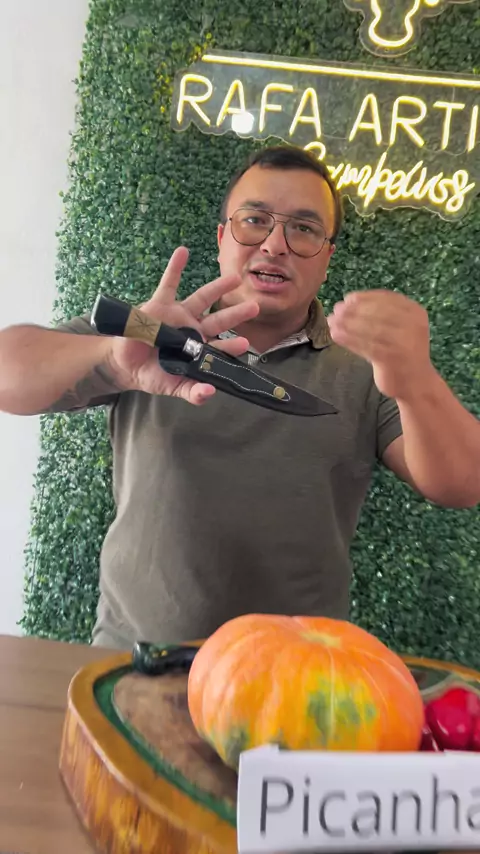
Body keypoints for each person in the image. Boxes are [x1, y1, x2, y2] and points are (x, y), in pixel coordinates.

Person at [0, 145, 478, 650]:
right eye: (255, 220)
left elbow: (463, 484)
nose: (275, 244)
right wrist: (115, 362)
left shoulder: (365, 369)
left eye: (304, 229)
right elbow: (10, 371)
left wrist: (416, 381)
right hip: (134, 662)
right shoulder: (150, 333)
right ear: (222, 237)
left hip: (299, 673)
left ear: (327, 256)